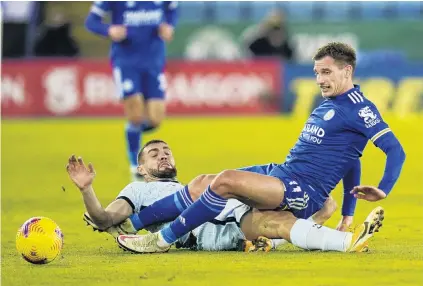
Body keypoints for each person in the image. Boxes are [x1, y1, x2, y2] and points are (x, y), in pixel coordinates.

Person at [114, 42, 405, 254]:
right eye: (317, 73)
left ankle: (160, 241)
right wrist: (348, 214)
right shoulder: (331, 105)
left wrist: (384, 187)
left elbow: (396, 150)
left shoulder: (358, 108)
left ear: (347, 71)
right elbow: (351, 158)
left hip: (300, 188)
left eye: (326, 73)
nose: (319, 80)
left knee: (225, 180)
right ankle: (132, 224)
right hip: (283, 173)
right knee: (206, 182)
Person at [66, 140, 338, 252]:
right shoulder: (137, 189)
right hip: (211, 231)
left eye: (166, 151)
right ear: (141, 169)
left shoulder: (185, 187)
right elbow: (104, 220)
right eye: (154, 153)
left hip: (230, 207)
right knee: (274, 223)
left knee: (323, 203)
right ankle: (334, 238)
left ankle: (308, 227)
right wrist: (86, 189)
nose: (163, 154)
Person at [84, 1, 178, 180]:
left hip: (154, 61)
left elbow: (173, 10)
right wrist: (109, 30)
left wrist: (169, 26)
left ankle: (131, 132)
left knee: (155, 119)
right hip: (126, 62)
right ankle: (136, 166)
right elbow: (91, 21)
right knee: (135, 115)